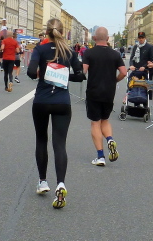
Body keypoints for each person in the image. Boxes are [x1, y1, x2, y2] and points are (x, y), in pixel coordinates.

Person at [27, 18, 83, 209]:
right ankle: (61, 184)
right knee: (59, 144)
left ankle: (43, 181)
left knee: (41, 140)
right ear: (62, 31)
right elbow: (80, 75)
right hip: (62, 102)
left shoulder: (40, 49)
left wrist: (45, 74)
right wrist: (64, 76)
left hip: (42, 101)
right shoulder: (70, 52)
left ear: (46, 32)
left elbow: (30, 72)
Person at [83, 27, 127, 167]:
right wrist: (115, 80)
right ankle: (109, 139)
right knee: (105, 120)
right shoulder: (115, 54)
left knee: (95, 123)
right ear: (108, 39)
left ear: (94, 38)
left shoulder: (89, 53)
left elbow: (83, 71)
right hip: (109, 92)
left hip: (94, 91)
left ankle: (100, 156)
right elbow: (124, 72)